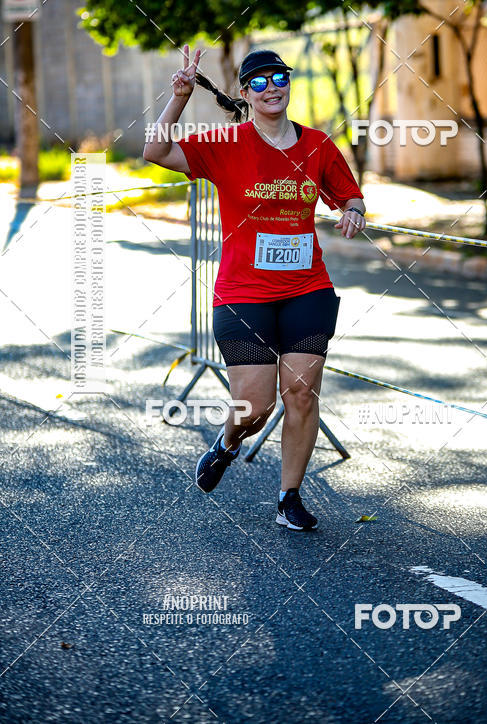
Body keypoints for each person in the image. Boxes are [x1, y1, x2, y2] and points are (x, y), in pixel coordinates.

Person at [143, 44, 366, 531]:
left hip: (308, 288)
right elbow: (156, 151)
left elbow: (348, 192)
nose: (272, 88)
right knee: (255, 406)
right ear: (245, 93)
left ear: (289, 84)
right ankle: (226, 444)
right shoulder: (225, 143)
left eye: (279, 78)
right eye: (259, 82)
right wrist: (178, 97)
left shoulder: (317, 145)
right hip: (243, 294)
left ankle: (289, 497)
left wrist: (352, 208)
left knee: (302, 395)